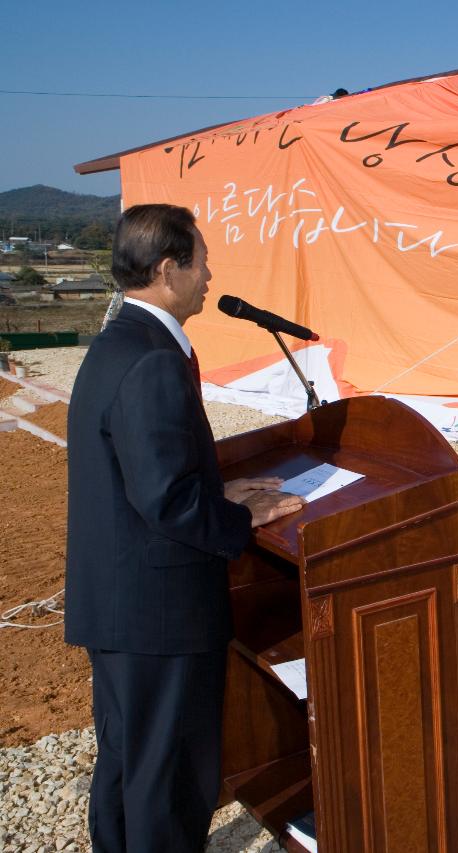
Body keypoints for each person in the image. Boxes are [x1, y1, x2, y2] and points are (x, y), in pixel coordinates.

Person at [64, 204, 306, 853]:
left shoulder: (118, 343)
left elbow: (137, 472)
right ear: (169, 268)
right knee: (167, 782)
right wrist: (235, 516)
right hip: (158, 615)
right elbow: (167, 499)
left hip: (119, 605)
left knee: (129, 764)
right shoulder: (153, 359)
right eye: (201, 260)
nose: (209, 275)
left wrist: (216, 488)